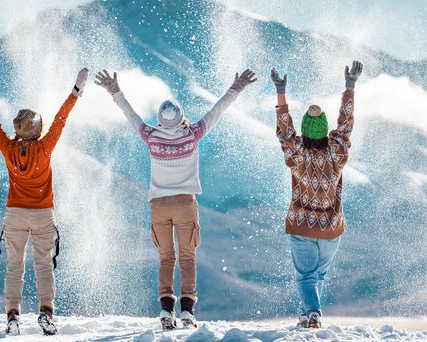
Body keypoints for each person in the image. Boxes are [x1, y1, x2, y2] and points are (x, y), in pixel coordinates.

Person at [94, 68, 257, 329]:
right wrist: (237, 86)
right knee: (187, 258)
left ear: (159, 119)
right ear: (181, 118)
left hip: (158, 205)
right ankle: (187, 311)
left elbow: (131, 115)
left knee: (166, 258)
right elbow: (217, 110)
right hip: (184, 204)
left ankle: (166, 309)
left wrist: (115, 91)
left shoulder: (151, 137)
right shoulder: (192, 135)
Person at [0, 66, 89, 335]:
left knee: (15, 267)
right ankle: (46, 314)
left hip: (15, 215)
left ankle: (12, 316)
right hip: (43, 215)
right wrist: (76, 91)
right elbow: (61, 119)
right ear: (37, 129)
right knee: (43, 267)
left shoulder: (8, 148)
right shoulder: (45, 148)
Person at [271, 61, 362, 329]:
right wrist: (350, 87)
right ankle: (305, 315)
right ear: (323, 130)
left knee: (306, 277)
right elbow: (345, 127)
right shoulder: (337, 152)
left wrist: (280, 92)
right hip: (331, 229)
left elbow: (285, 132)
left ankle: (313, 312)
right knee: (318, 275)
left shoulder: (296, 154)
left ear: (305, 130)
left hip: (302, 225)